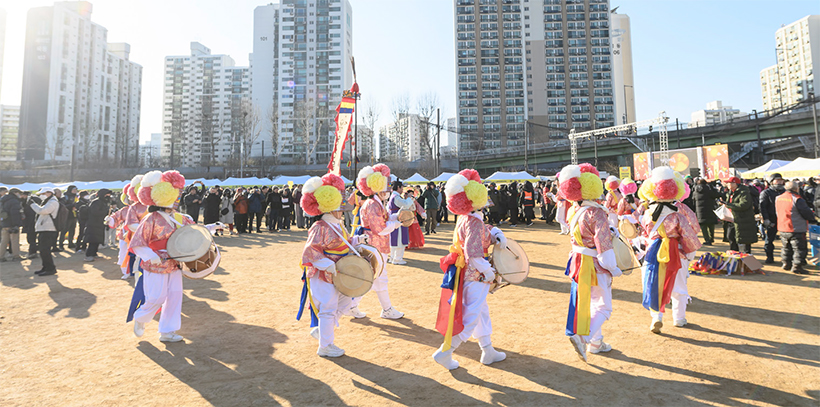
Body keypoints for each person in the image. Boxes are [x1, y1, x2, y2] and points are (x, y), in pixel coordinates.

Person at [129, 170, 222, 343]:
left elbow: (194, 231)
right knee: (157, 297)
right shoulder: (151, 219)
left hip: (176, 263)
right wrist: (150, 256)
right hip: (156, 264)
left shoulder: (182, 218)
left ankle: (167, 331)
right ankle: (140, 317)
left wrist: (211, 227)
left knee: (175, 295)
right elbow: (138, 242)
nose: (177, 199)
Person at [432, 169, 508, 370]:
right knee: (471, 315)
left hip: (466, 272)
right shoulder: (473, 220)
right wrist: (488, 271)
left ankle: (488, 350)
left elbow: (478, 236)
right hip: (476, 274)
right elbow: (473, 252)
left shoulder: (466, 218)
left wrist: (495, 233)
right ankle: (445, 352)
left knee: (481, 311)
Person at [558, 164, 623, 362]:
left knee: (592, 302)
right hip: (595, 262)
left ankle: (597, 342)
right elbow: (603, 246)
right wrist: (614, 268)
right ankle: (584, 337)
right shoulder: (597, 213)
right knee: (604, 306)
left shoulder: (574, 211)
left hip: (578, 261)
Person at [297, 173, 366, 357]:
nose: (342, 210)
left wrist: (359, 239)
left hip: (339, 272)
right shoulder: (320, 226)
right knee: (328, 308)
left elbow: (346, 241)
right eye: (339, 208)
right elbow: (310, 252)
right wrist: (327, 264)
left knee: (345, 302)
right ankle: (325, 346)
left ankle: (322, 331)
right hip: (325, 274)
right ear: (330, 209)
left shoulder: (336, 225)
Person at [638, 167, 702, 334]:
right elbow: (689, 237)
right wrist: (689, 256)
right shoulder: (678, 215)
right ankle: (679, 318)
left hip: (652, 252)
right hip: (676, 252)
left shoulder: (647, 213)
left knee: (653, 284)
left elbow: (644, 233)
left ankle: (656, 317)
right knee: (679, 286)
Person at [349, 163, 404, 320]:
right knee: (375, 276)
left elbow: (384, 220)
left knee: (375, 277)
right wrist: (397, 223)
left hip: (378, 245)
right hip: (376, 246)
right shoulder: (373, 204)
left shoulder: (375, 203)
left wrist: (396, 217)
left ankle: (355, 306)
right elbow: (380, 228)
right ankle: (383, 309)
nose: (387, 189)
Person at [776, 181, 816, 274]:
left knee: (786, 247)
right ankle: (797, 266)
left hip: (782, 226)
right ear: (796, 188)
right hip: (796, 227)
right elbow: (806, 212)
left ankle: (786, 263)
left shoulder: (778, 198)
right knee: (799, 248)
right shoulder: (797, 199)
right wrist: (812, 218)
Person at [720, 177, 757, 253]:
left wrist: (728, 205)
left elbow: (744, 205)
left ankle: (747, 259)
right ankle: (734, 257)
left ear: (735, 183)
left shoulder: (744, 192)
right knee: (731, 237)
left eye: (729, 183)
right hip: (731, 219)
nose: (727, 184)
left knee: (745, 240)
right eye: (727, 183)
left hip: (743, 220)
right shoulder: (730, 192)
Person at [29, 187, 60, 276]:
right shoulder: (49, 201)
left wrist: (32, 204)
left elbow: (43, 211)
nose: (41, 196)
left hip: (48, 229)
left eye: (43, 194)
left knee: (45, 249)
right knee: (43, 250)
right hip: (45, 228)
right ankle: (46, 267)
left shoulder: (53, 202)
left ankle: (50, 268)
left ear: (49, 193)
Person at [759, 174, 786, 263]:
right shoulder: (766, 193)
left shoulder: (785, 192)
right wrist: (766, 219)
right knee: (769, 240)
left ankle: (787, 258)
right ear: (771, 181)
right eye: (777, 180)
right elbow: (763, 207)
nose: (780, 182)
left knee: (787, 241)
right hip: (772, 220)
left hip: (784, 220)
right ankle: (769, 256)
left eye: (781, 180)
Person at [387, 180, 414, 265]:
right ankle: (397, 258)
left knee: (394, 239)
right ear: (398, 187)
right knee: (399, 239)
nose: (402, 189)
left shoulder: (393, 196)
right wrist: (409, 198)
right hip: (398, 218)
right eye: (402, 187)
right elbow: (405, 204)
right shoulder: (396, 197)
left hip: (394, 218)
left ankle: (392, 257)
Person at [84, 189, 112, 262]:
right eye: (106, 195)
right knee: (92, 240)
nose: (108, 196)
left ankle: (94, 253)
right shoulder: (96, 202)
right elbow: (94, 212)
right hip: (93, 224)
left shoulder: (103, 202)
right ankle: (89, 255)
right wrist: (105, 212)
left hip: (99, 224)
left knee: (97, 240)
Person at [693, 179, 721, 245]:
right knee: (711, 225)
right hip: (710, 210)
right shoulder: (709, 190)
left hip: (700, 212)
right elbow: (717, 195)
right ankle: (712, 238)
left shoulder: (695, 191)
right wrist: (712, 186)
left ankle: (707, 240)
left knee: (703, 227)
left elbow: (693, 200)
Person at [0, 188, 25, 262]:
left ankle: (1, 256)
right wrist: (16, 224)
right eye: (19, 193)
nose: (19, 195)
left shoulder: (3, 200)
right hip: (12, 223)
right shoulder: (14, 201)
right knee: (14, 240)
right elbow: (15, 214)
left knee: (4, 241)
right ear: (15, 193)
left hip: (4, 223)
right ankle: (16, 256)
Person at [60, 185, 79, 250]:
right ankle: (61, 244)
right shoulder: (65, 196)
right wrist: (72, 206)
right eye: (74, 189)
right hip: (67, 216)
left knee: (72, 230)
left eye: (76, 189)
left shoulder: (76, 196)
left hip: (74, 215)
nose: (75, 191)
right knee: (64, 230)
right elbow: (62, 205)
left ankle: (70, 243)